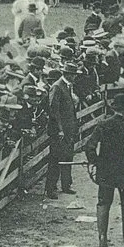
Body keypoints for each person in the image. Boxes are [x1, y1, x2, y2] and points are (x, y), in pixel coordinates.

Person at [84, 94, 124, 247]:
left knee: (103, 202)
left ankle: (102, 238)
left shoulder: (103, 125)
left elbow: (89, 146)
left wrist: (95, 161)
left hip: (106, 171)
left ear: (115, 108)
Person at [45, 63, 79, 199]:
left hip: (68, 129)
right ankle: (51, 188)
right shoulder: (57, 87)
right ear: (68, 74)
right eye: (74, 74)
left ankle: (66, 184)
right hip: (60, 132)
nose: (75, 77)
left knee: (68, 156)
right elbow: (54, 111)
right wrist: (59, 129)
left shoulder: (68, 86)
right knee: (56, 159)